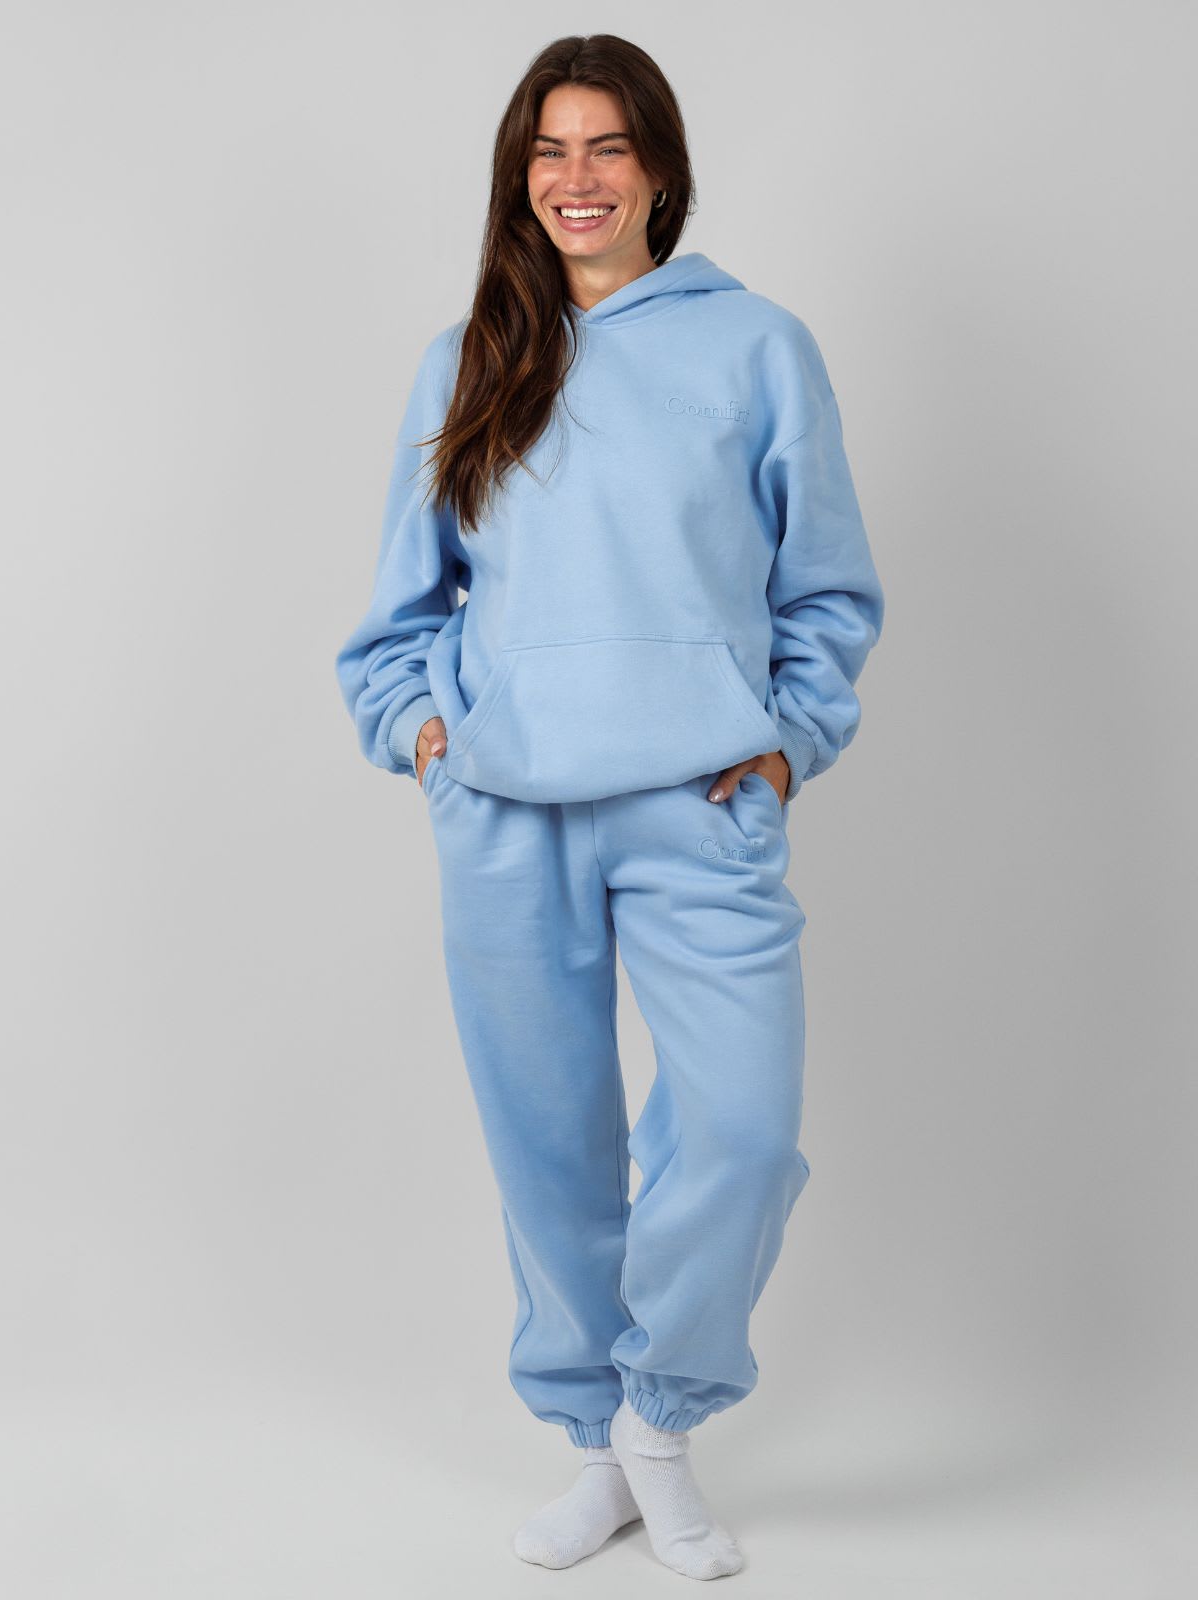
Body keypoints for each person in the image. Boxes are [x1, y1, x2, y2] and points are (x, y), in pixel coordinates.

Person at [335, 32, 885, 1582]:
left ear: (660, 170)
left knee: (742, 1130)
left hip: (698, 803)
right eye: (548, 152)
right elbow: (398, 617)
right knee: (548, 1146)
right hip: (508, 812)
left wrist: (787, 743)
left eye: (608, 147)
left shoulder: (758, 349)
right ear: (520, 179)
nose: (577, 179)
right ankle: (598, 1448)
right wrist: (427, 738)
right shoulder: (470, 360)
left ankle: (659, 1415)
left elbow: (827, 590)